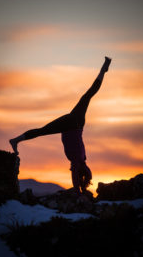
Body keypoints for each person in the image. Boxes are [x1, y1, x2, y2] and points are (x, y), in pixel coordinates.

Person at [10, 57, 111, 194]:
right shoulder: (77, 162)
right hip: (71, 125)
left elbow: (83, 175)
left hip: (77, 124)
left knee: (89, 94)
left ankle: (103, 70)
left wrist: (82, 187)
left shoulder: (82, 159)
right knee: (42, 131)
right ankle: (15, 140)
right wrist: (79, 191)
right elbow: (77, 176)